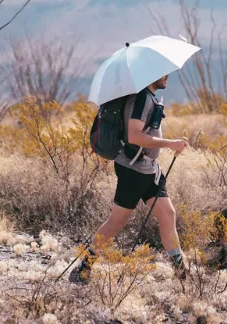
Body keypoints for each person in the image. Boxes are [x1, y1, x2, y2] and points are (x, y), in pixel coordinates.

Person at [69, 74, 188, 284]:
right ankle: (83, 268)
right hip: (133, 170)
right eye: (163, 72)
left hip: (149, 170)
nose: (167, 76)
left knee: (168, 213)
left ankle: (182, 273)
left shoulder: (148, 97)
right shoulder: (142, 98)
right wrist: (170, 143)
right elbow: (134, 136)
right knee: (117, 221)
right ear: (152, 73)